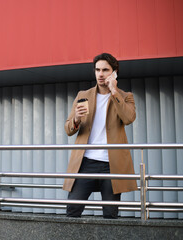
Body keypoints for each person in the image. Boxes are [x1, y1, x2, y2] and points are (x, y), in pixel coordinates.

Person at [63, 53, 137, 218]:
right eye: (97, 70)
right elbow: (68, 129)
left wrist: (114, 91)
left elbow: (128, 118)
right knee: (72, 210)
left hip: (112, 165)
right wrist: (76, 119)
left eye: (105, 70)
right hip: (85, 163)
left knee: (110, 215)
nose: (100, 74)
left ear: (114, 73)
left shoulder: (126, 97)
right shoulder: (83, 95)